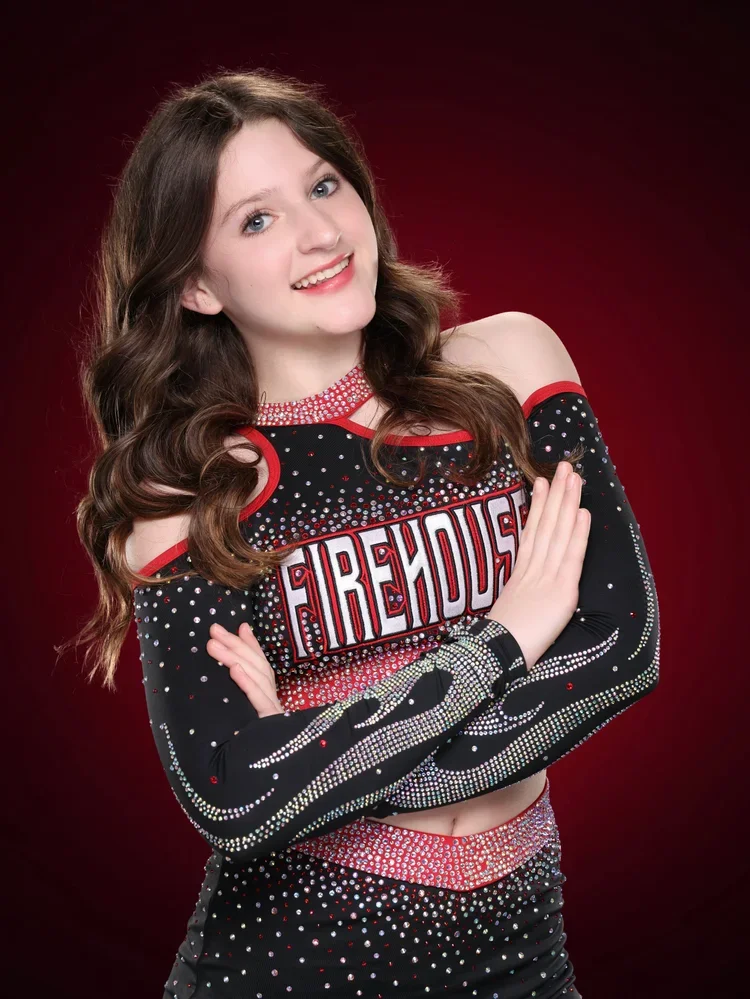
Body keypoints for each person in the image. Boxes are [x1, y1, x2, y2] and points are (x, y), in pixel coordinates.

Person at [60, 67, 660, 998]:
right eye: (254, 220)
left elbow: (622, 644)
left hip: (524, 955)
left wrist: (319, 758)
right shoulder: (189, 487)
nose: (317, 233)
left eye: (323, 184)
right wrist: (506, 636)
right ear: (196, 285)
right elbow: (235, 792)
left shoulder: (510, 362)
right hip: (289, 964)